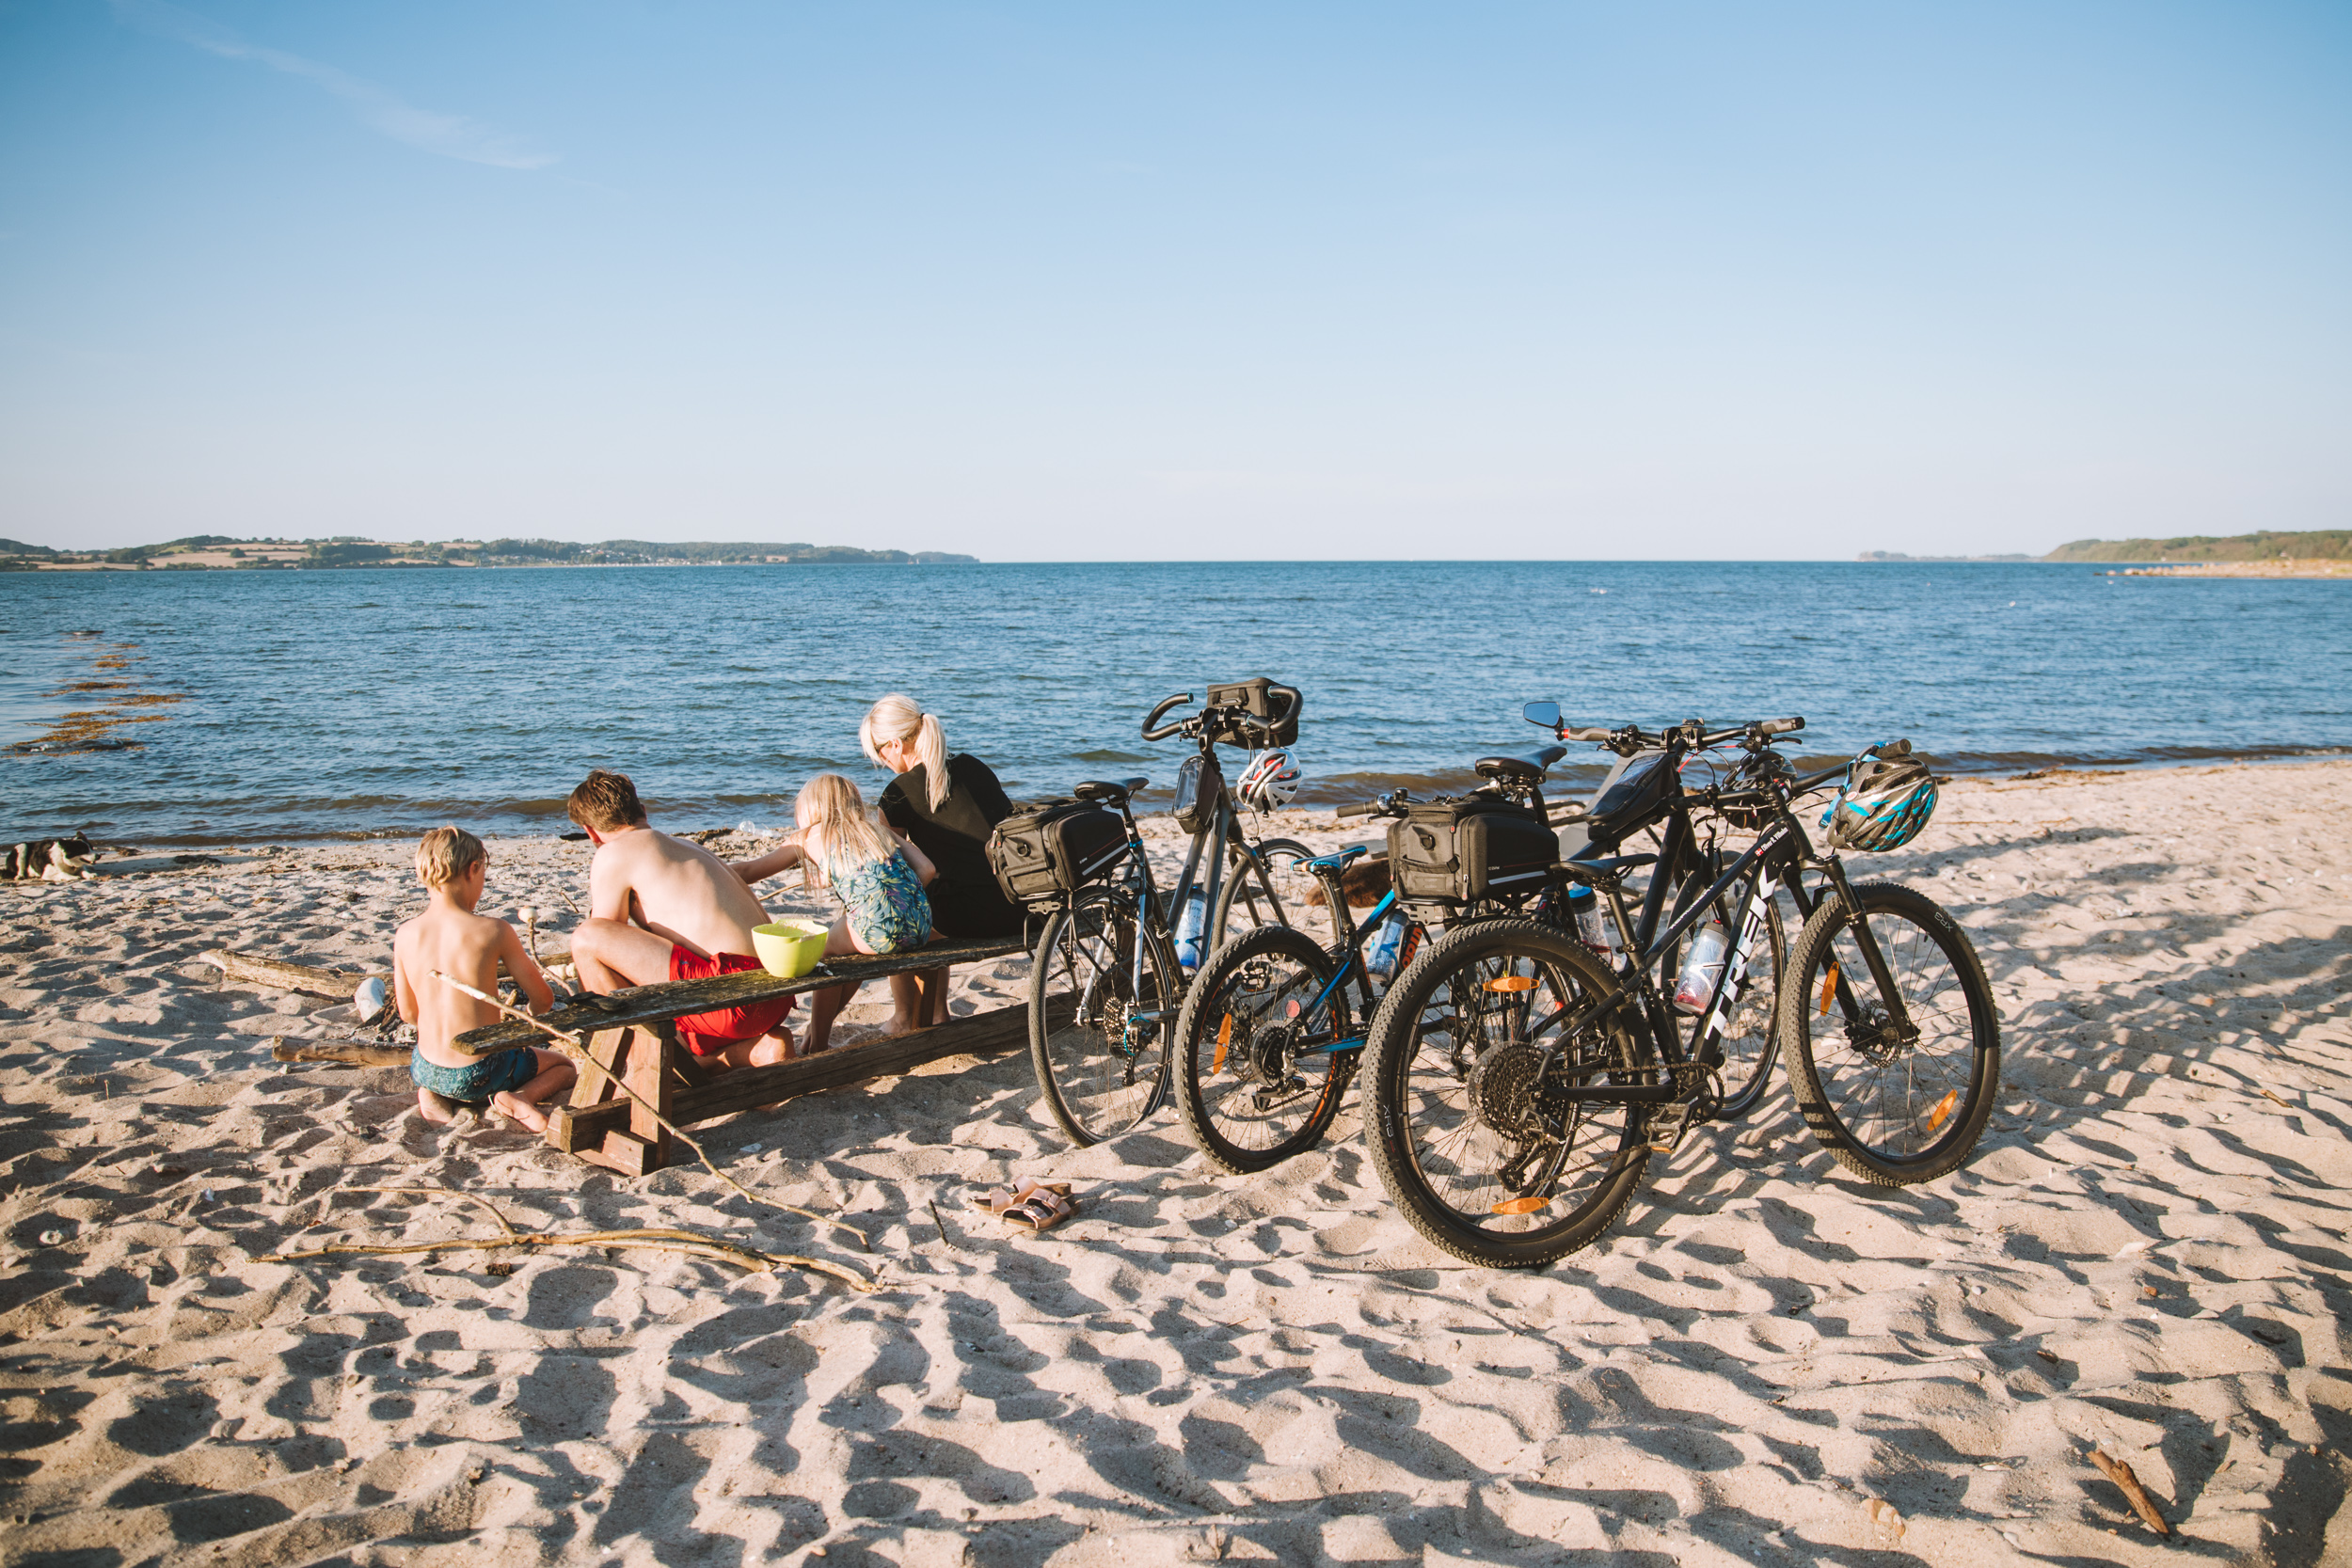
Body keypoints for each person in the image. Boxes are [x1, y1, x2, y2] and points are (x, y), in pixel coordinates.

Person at [564, 768, 795, 1068]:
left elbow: (607, 933)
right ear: (643, 812)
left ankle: (642, 1069)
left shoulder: (613, 853)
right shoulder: (688, 847)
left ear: (590, 832)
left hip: (731, 998)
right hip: (775, 992)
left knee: (587, 938)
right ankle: (749, 1053)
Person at [733, 772, 936, 1052]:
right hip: (922, 925)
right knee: (851, 952)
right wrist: (900, 904)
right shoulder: (873, 828)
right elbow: (927, 869)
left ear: (812, 808)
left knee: (825, 952)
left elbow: (749, 870)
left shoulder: (806, 837)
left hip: (877, 927)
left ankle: (816, 1042)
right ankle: (815, 1033)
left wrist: (708, 869)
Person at [393, 826, 575, 1129]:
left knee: (443, 1071)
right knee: (564, 1066)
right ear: (473, 869)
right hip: (480, 1070)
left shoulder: (405, 933)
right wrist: (527, 1021)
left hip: (425, 1066)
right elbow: (542, 998)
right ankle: (519, 1098)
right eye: (482, 875)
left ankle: (432, 1093)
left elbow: (408, 1013)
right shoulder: (494, 930)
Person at [860, 693, 1024, 1031]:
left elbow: (893, 876)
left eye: (877, 751)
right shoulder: (973, 766)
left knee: (896, 911)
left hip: (976, 915)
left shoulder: (897, 795)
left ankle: (904, 1017)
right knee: (943, 895)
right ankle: (937, 1014)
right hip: (1022, 904)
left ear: (894, 744)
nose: (879, 760)